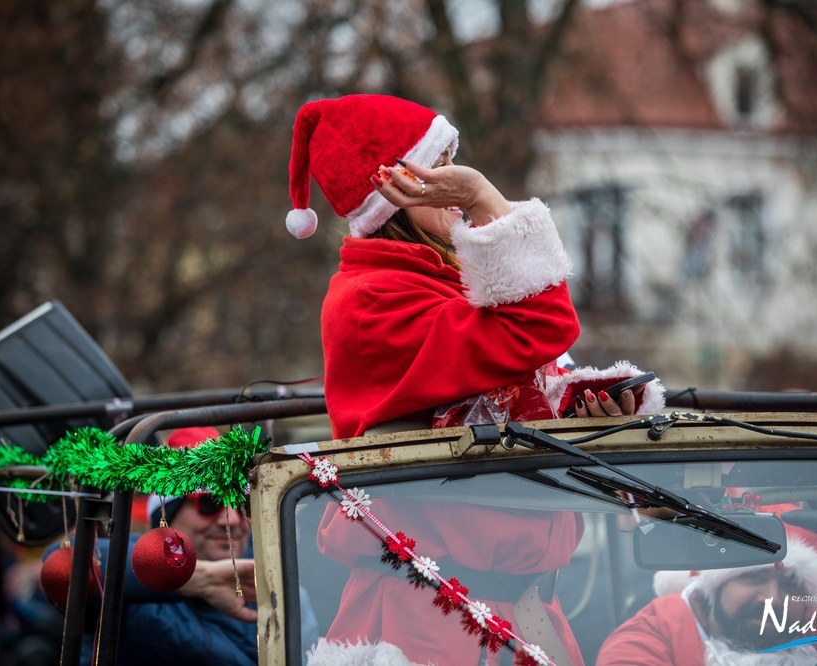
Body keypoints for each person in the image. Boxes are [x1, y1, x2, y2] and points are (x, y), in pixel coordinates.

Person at [283, 94, 664, 665]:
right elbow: (544, 324)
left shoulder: (436, 280)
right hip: (430, 616)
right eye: (438, 166)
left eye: (452, 165)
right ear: (394, 191)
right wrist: (483, 197)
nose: (453, 184)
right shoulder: (373, 298)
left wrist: (585, 411)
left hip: (516, 607)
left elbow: (504, 394)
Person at [48, 427, 319, 666]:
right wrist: (198, 578)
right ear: (166, 517)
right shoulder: (127, 589)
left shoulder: (278, 584)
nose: (232, 521)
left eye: (241, 504)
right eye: (210, 504)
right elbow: (62, 565)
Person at [597, 497, 817, 666]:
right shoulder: (648, 639)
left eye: (793, 584)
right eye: (752, 576)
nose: (772, 599)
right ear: (712, 584)